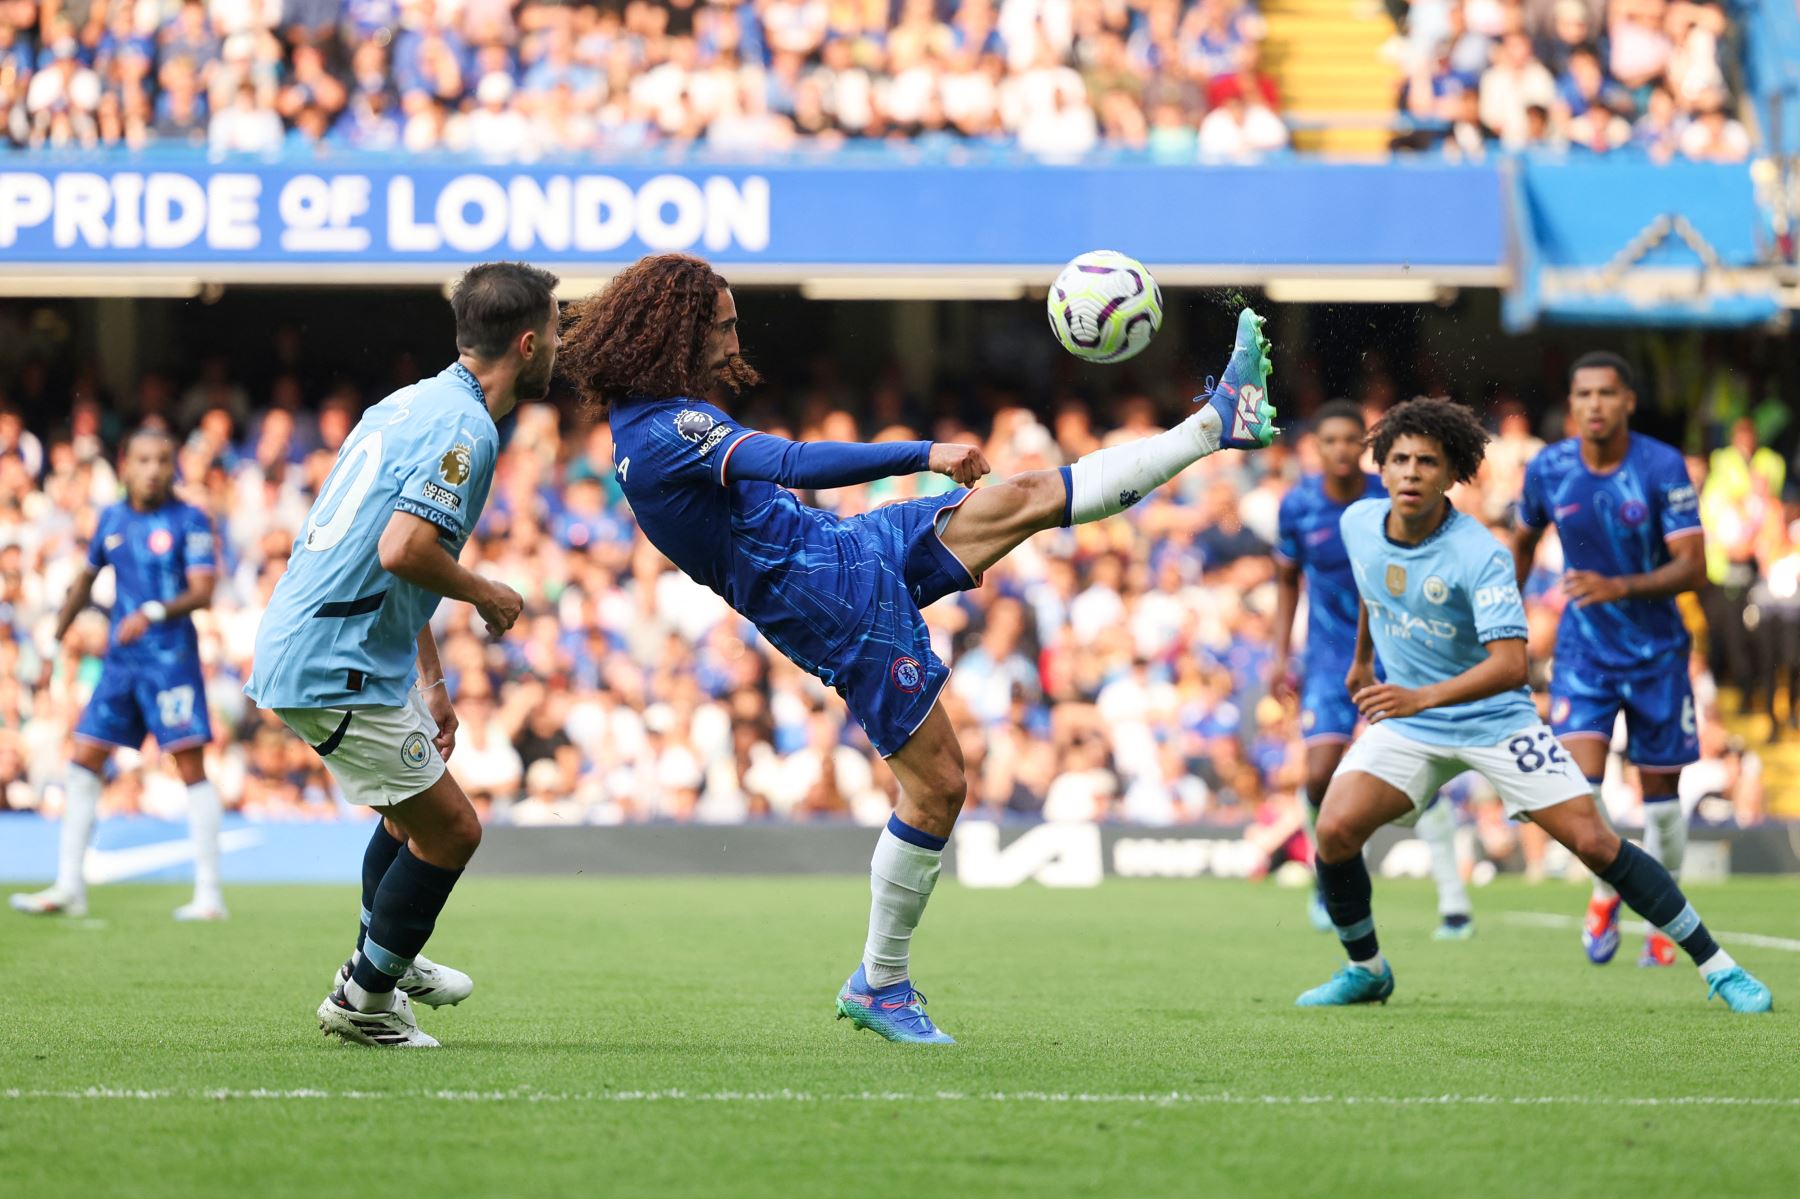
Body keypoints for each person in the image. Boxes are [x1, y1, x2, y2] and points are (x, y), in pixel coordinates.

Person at [559, 253, 1279, 1043]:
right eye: (723, 325)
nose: (734, 338)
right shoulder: (669, 432)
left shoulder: (655, 417)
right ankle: (882, 981)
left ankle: (1217, 424)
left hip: (838, 548)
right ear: (678, 332)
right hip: (829, 600)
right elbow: (792, 461)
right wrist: (922, 453)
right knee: (939, 786)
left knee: (1027, 495)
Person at [1299, 397, 1768, 1013]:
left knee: (1595, 843)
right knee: (1333, 830)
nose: (1412, 472)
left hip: (1495, 720)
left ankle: (1719, 967)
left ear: (1452, 475)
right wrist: (1363, 659)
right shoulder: (1358, 522)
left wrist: (1419, 695)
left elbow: (1510, 666)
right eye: (1400, 460)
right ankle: (1367, 970)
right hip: (1414, 720)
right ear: (1380, 470)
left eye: (1427, 463)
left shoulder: (1480, 554)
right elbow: (1371, 583)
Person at [245, 262, 552, 1047]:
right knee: (452, 831)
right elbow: (404, 546)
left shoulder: (411, 402)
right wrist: (486, 592)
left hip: (332, 644)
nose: (558, 344)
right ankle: (366, 996)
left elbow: (392, 542)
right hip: (331, 657)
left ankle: (388, 952)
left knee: (406, 812)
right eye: (553, 330)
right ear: (526, 342)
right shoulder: (467, 429)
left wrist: (433, 679)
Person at [1513, 352, 1708, 968]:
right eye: (1583, 394)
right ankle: (1606, 893)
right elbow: (1522, 538)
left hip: (1657, 654)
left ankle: (1664, 914)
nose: (1594, 404)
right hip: (1583, 654)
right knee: (1579, 789)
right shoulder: (1549, 468)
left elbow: (1694, 566)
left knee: (1663, 804)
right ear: (1571, 404)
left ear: (1627, 400)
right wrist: (1506, 620)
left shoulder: (1660, 465)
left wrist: (1619, 586)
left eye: (1606, 393)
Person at [1272, 401, 1473, 941]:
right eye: (1329, 440)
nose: (1340, 449)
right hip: (1326, 657)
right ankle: (1326, 880)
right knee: (1318, 774)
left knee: (1421, 773)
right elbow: (1288, 580)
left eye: (1349, 441)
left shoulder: (1382, 499)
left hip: (1395, 654)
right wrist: (1278, 654)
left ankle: (1454, 903)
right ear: (1314, 447)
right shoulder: (1297, 506)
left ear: (1364, 448)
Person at [11, 427, 225, 922]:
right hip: (122, 662)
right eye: (144, 460)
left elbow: (204, 591)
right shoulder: (111, 518)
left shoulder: (189, 518)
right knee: (83, 758)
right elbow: (83, 582)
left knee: (189, 766)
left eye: (163, 460)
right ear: (125, 464)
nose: (154, 470)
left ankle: (209, 894)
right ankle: (69, 885)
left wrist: (151, 613)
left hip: (170, 658)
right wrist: (52, 639)